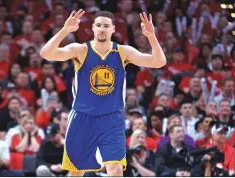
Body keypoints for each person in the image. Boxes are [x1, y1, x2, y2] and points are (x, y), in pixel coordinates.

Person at [40, 9, 166, 176]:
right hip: (82, 117)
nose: (101, 29)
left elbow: (158, 62)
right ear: (93, 28)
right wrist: (65, 30)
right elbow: (46, 53)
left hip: (111, 118)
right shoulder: (81, 50)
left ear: (113, 29)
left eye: (106, 26)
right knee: (76, 172)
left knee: (115, 170)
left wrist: (151, 37)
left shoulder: (122, 51)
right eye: (98, 25)